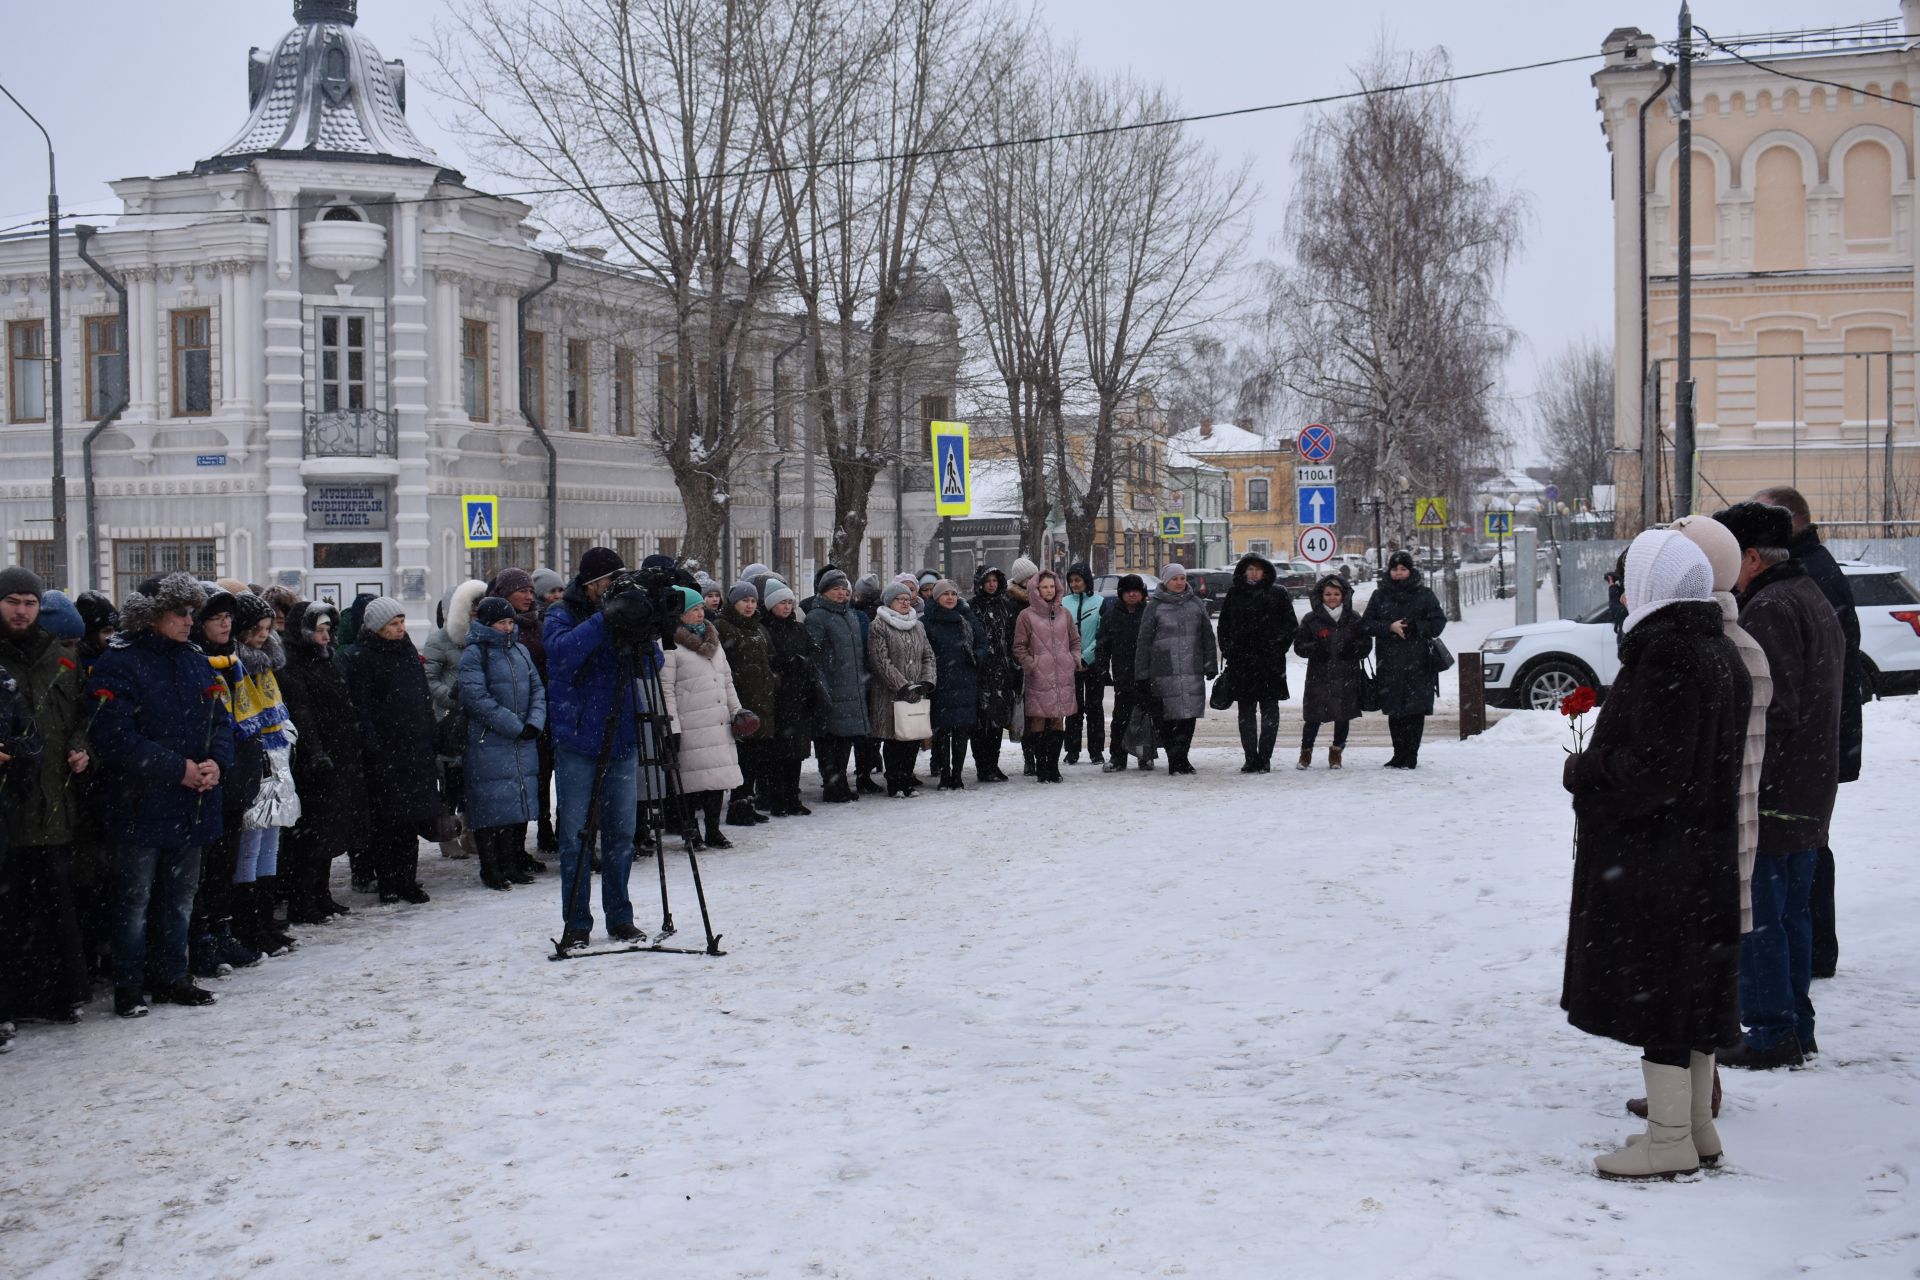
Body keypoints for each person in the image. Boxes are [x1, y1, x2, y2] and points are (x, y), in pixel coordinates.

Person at [1562, 529, 1748, 1179]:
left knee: (1663, 995)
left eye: (1626, 580)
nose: (1619, 591)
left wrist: (1586, 771)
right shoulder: (1716, 651)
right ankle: (1695, 1128)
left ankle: (1668, 1138)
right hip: (1703, 856)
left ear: (1652, 586)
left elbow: (1653, 772)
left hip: (1661, 861)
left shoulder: (1667, 656)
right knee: (1691, 993)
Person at [1712, 501, 1844, 1070]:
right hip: (1809, 788)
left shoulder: (1769, 608)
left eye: (1726, 556)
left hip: (1775, 792)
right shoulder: (1809, 595)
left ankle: (1770, 1033)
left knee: (1762, 917)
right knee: (1791, 915)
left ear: (1752, 557)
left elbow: (1773, 706)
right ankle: (1795, 1026)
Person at [87, 573, 237, 1017]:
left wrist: (216, 763)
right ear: (152, 616)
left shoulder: (194, 659)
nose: (190, 621)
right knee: (134, 900)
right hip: (141, 804)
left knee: (180, 898)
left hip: (191, 802)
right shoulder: (121, 662)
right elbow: (113, 737)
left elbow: (221, 720)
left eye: (193, 612)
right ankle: (129, 987)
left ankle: (175, 976)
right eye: (181, 612)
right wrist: (179, 769)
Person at [1754, 485, 1864, 981]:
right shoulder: (1809, 571)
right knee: (1808, 850)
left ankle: (1813, 957)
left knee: (1802, 857)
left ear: (1786, 521)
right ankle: (1813, 956)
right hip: (1818, 744)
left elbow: (1799, 687)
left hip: (1807, 749)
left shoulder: (1800, 579)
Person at [544, 547, 656, 949]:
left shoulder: (621, 610)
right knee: (576, 835)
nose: (614, 590)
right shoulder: (562, 612)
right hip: (578, 739)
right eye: (609, 583)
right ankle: (576, 923)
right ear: (592, 585)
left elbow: (652, 665)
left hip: (621, 735)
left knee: (621, 834)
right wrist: (603, 620)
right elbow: (560, 655)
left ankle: (620, 918)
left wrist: (641, 624)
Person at [0, 567, 90, 1030]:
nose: (21, 611)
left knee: (55, 906)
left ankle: (58, 994)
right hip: (8, 813)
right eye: (13, 601)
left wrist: (81, 747)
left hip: (54, 806)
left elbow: (80, 717)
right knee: (10, 912)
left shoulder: (60, 658)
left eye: (29, 602)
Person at [276, 601, 369, 926]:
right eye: (319, 630)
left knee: (329, 830)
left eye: (328, 629)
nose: (326, 636)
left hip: (337, 756)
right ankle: (304, 899)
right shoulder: (293, 665)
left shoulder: (325, 661)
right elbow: (303, 714)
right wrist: (316, 753)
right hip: (314, 761)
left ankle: (321, 894)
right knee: (311, 836)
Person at [343, 598, 439, 906]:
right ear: (377, 627)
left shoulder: (407, 651)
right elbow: (362, 707)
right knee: (386, 823)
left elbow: (421, 697)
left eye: (401, 622)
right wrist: (373, 745)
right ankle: (388, 882)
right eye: (393, 624)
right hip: (385, 752)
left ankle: (407, 880)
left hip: (414, 749)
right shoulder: (361, 657)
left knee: (410, 822)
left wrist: (428, 731)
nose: (400, 629)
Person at [458, 596, 547, 890]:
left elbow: (537, 687)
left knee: (517, 804)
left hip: (522, 739)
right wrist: (513, 725)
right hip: (489, 741)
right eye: (502, 623)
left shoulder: (520, 651)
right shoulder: (475, 654)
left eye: (510, 622)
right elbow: (476, 698)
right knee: (491, 808)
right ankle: (491, 867)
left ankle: (512, 862)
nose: (508, 628)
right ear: (487, 624)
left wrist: (534, 721)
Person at [228, 594, 300, 959]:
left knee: (271, 842)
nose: (261, 635)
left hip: (275, 756)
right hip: (251, 760)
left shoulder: (268, 664)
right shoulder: (234, 663)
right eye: (255, 630)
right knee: (249, 846)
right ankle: (248, 923)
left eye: (266, 629)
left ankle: (266, 920)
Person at [661, 587, 745, 849]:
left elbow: (727, 680)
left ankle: (713, 830)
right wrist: (671, 726)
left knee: (716, 781)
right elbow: (666, 690)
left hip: (718, 722)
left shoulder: (714, 641)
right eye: (693, 610)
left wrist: (738, 711)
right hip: (690, 725)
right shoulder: (670, 644)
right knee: (690, 784)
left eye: (700, 608)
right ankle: (691, 831)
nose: (700, 613)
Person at [488, 567, 553, 868]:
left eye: (531, 590)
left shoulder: (537, 624)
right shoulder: (492, 627)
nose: (530, 596)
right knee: (508, 787)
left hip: (538, 715)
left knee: (536, 780)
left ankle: (530, 840)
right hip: (507, 718)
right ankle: (505, 853)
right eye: (522, 590)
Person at [1364, 550, 1448, 770]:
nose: (1399, 573)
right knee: (1394, 710)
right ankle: (1398, 754)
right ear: (1389, 571)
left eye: (1403, 569)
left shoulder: (1425, 594)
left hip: (1419, 661)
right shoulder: (1379, 595)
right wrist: (1389, 627)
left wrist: (1415, 627)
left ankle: (1411, 755)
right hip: (1389, 662)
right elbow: (1366, 624)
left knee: (1415, 710)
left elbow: (1438, 623)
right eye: (1395, 569)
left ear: (1410, 571)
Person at [1215, 552, 1297, 773]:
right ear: (1243, 572)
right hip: (1242, 665)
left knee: (1270, 711)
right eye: (1249, 569)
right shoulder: (1235, 594)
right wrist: (1230, 651)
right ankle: (1251, 757)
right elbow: (1224, 627)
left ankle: (1265, 757)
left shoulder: (1278, 594)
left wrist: (1276, 648)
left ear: (1265, 571)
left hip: (1270, 665)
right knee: (1246, 713)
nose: (1253, 573)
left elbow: (1290, 626)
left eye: (1257, 569)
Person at [424, 580, 486, 862]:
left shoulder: (483, 636)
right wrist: (452, 698)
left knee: (472, 779)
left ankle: (470, 832)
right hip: (449, 720)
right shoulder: (439, 640)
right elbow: (429, 679)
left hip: (476, 718)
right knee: (449, 782)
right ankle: (447, 834)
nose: (475, 611)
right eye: (470, 605)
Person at [1134, 564, 1216, 775]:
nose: (1180, 582)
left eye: (1182, 578)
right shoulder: (1154, 606)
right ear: (1165, 581)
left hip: (1192, 668)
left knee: (1188, 717)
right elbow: (1144, 641)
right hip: (1163, 670)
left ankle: (1183, 758)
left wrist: (1210, 663)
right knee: (1166, 718)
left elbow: (1207, 636)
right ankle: (1174, 759)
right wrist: (1142, 673)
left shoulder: (1196, 604)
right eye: (1175, 579)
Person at [867, 581, 937, 796]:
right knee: (894, 738)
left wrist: (927, 681)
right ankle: (895, 782)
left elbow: (928, 655)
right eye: (900, 599)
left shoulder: (918, 625)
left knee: (912, 738)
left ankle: (907, 779)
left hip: (916, 692)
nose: (906, 603)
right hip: (890, 693)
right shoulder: (879, 625)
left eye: (908, 599)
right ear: (890, 602)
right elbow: (881, 661)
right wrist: (902, 685)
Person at [1293, 575, 1370, 770]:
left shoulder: (1353, 618)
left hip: (1346, 674)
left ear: (1344, 596)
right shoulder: (1311, 619)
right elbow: (1299, 646)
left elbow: (1366, 643)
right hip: (1319, 676)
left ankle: (1336, 752)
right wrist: (1315, 649)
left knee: (1342, 716)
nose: (1332, 597)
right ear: (1321, 595)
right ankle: (1305, 752)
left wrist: (1353, 649)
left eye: (1336, 594)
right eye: (1328, 594)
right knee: (1313, 717)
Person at [805, 569, 869, 803]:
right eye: (836, 589)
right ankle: (831, 785)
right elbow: (815, 655)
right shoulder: (817, 617)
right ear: (824, 592)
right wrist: (822, 685)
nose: (841, 593)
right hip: (831, 688)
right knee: (828, 741)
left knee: (845, 740)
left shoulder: (850, 616)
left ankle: (840, 781)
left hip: (851, 688)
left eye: (844, 589)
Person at [1012, 569, 1081, 783]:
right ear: (1036, 589)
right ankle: (1041, 767)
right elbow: (1019, 646)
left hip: (1062, 676)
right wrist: (1031, 664)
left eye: (1052, 586)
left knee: (1057, 720)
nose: (1049, 590)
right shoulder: (1027, 615)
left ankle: (1053, 767)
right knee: (1039, 721)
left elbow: (1075, 641)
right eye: (1044, 587)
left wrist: (1073, 659)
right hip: (1038, 677)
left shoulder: (1064, 613)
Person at [714, 585, 775, 826]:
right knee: (743, 758)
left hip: (762, 700)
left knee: (756, 758)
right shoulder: (723, 627)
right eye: (744, 601)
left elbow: (769, 658)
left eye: (753, 600)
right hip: (740, 701)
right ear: (733, 603)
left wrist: (772, 680)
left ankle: (748, 803)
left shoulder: (759, 628)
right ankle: (737, 807)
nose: (749, 605)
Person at [759, 583, 818, 817]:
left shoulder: (798, 628)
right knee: (777, 754)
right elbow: (768, 660)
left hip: (799, 697)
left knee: (796, 753)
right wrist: (785, 664)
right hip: (777, 697)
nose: (786, 606)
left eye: (789, 602)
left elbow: (814, 651)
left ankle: (793, 797)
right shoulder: (765, 629)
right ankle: (777, 799)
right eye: (782, 602)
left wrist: (803, 662)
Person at [921, 579, 986, 790]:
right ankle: (944, 774)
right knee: (941, 733)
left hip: (965, 681)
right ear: (936, 597)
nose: (950, 597)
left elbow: (982, 642)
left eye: (953, 594)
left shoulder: (965, 617)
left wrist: (976, 657)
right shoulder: (927, 621)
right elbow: (923, 651)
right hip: (940, 683)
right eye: (945, 594)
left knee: (961, 733)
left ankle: (957, 774)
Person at [1095, 575, 1155, 772]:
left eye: (1136, 590)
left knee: (1144, 719)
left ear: (1142, 594)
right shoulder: (1111, 616)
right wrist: (1103, 670)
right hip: (1123, 676)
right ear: (1121, 593)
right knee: (1120, 718)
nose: (1132, 594)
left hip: (1147, 676)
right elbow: (1102, 646)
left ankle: (1144, 755)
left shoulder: (1149, 614)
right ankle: (1117, 757)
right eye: (1128, 590)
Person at [968, 566, 1021, 783]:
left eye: (994, 580)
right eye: (987, 580)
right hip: (980, 672)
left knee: (998, 721)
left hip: (1002, 670)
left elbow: (1011, 638)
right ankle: (983, 766)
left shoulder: (1005, 607)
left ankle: (993, 764)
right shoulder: (971, 608)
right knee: (981, 723)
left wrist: (1013, 666)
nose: (992, 584)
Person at [1062, 563, 1106, 766]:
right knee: (1072, 709)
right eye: (1071, 581)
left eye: (1078, 580)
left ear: (1086, 580)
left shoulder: (1100, 602)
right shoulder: (1063, 603)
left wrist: (1086, 657)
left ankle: (1096, 751)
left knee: (1095, 708)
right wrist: (1073, 657)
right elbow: (1060, 634)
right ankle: (1072, 750)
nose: (1074, 584)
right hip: (1070, 664)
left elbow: (1102, 634)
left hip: (1093, 664)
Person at [850, 574, 885, 795]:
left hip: (864, 678)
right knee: (873, 729)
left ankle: (865, 768)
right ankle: (870, 763)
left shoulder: (858, 616)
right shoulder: (879, 614)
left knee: (865, 731)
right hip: (875, 678)